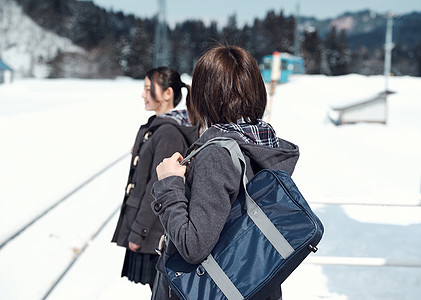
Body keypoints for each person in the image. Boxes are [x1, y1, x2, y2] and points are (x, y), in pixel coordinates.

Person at [150, 45, 300, 299]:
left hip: (213, 290)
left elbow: (194, 245)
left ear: (205, 95)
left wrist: (169, 184)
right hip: (255, 286)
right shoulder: (266, 146)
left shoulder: (218, 154)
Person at [111, 67, 199, 290]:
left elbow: (156, 187)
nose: (143, 95)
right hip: (151, 231)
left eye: (149, 89)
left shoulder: (168, 133)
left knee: (161, 291)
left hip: (154, 234)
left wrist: (139, 232)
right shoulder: (157, 128)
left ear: (167, 94)